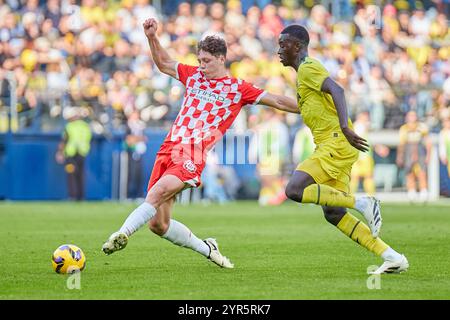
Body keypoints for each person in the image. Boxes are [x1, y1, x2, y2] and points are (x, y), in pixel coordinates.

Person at [102, 18, 299, 268]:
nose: (202, 66)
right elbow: (162, 63)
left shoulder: (237, 89)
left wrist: (308, 106)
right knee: (158, 225)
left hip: (192, 153)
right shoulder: (193, 75)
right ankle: (208, 248)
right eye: (200, 60)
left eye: (206, 61)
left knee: (157, 192)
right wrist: (152, 37)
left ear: (221, 59)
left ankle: (122, 234)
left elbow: (279, 101)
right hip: (168, 149)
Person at [278, 25, 408, 274]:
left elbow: (337, 89)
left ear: (297, 46)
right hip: (336, 144)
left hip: (336, 141)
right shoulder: (303, 76)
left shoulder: (308, 68)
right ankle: (392, 257)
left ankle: (362, 202)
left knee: (294, 189)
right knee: (334, 212)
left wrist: (345, 128)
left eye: (283, 44)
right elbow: (304, 104)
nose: (278, 50)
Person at [55, 107, 92, 201]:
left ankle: (72, 196)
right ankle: (81, 196)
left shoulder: (69, 126)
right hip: (82, 153)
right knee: (81, 175)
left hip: (71, 154)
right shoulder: (85, 126)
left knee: (71, 175)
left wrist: (60, 153)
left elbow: (64, 140)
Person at [396, 110, 432, 202]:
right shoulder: (404, 128)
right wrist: (400, 156)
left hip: (419, 149)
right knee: (409, 172)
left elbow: (428, 141)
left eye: (413, 115)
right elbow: (401, 144)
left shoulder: (422, 127)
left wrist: (428, 154)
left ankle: (423, 191)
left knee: (422, 172)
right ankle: (411, 192)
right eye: (410, 116)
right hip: (408, 149)